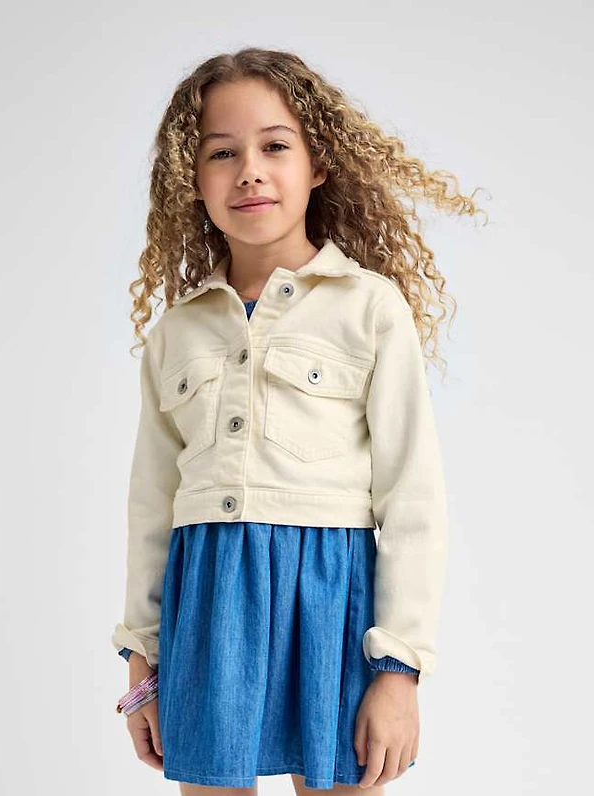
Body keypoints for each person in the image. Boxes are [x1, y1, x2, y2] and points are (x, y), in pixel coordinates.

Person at [111, 47, 487, 794]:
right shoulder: (177, 333)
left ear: (318, 165)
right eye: (222, 153)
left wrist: (400, 668)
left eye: (275, 146)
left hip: (331, 605)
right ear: (192, 178)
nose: (249, 171)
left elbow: (413, 497)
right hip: (208, 606)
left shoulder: (369, 308)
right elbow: (151, 507)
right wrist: (141, 661)